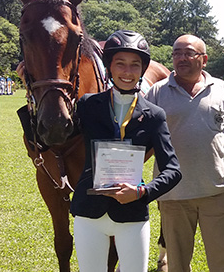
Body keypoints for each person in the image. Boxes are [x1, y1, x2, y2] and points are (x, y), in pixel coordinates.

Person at [70, 30, 182, 272]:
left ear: (143, 70)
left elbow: (173, 170)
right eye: (120, 64)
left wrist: (142, 191)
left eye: (135, 65)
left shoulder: (154, 115)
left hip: (132, 213)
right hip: (89, 212)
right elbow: (52, 135)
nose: (127, 72)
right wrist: (31, 80)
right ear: (109, 67)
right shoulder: (88, 105)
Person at [146, 34, 224, 272]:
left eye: (188, 53)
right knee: (177, 265)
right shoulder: (156, 93)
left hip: (219, 193)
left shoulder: (222, 89)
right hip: (173, 196)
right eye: (176, 53)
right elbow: (141, 140)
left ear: (203, 59)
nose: (181, 58)